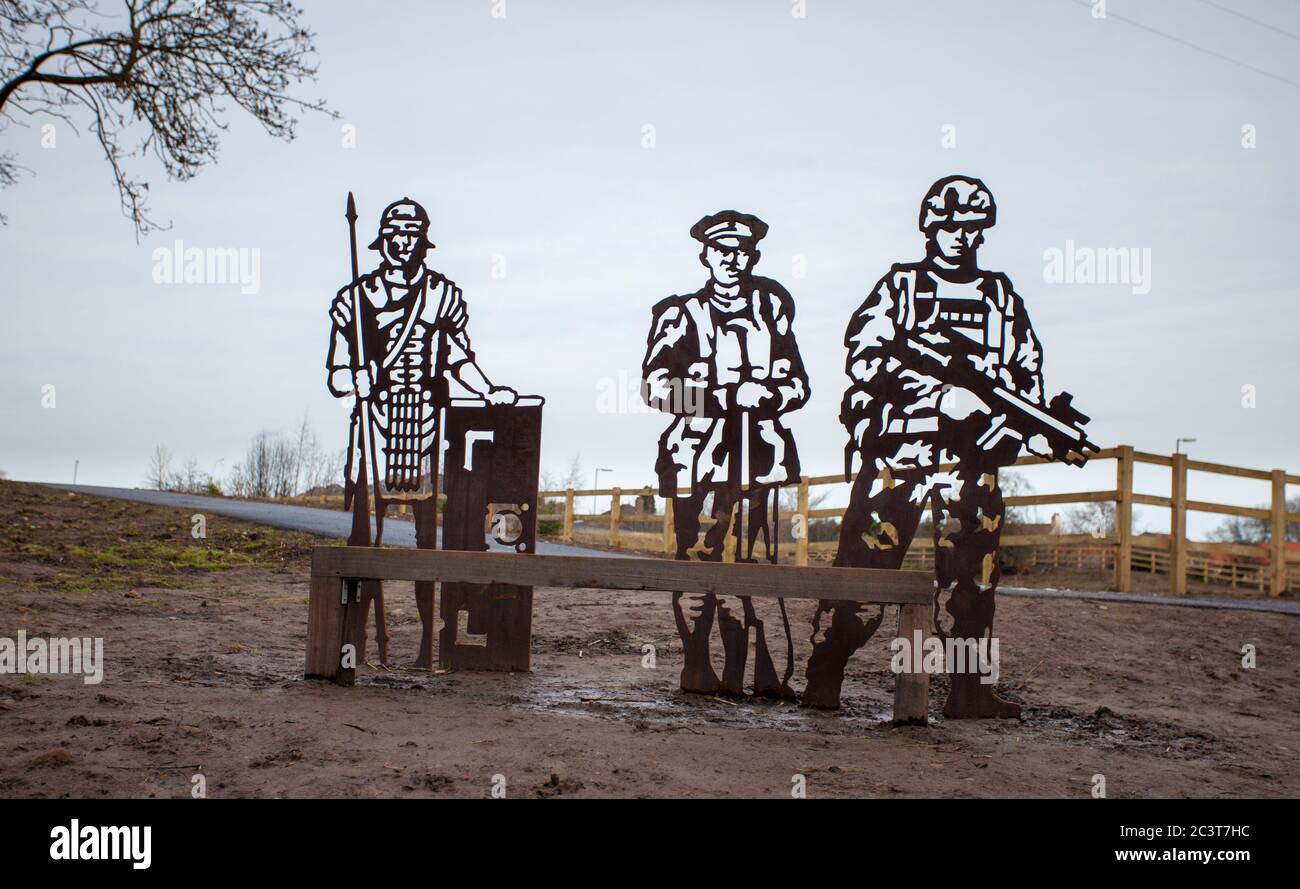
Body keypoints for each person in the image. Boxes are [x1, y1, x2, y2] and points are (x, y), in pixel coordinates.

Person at [641, 210, 808, 697]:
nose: (732, 259)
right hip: (697, 460)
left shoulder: (770, 311)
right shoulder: (679, 314)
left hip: (757, 460)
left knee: (748, 565)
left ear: (751, 256)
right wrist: (720, 397)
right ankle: (697, 666)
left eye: (741, 251)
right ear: (706, 255)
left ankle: (741, 672)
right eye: (722, 251)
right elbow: (656, 389)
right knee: (696, 562)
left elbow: (798, 382)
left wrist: (771, 396)